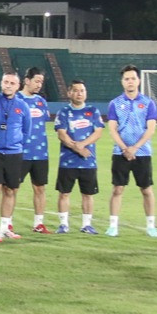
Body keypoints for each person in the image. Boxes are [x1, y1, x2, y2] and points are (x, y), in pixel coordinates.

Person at [106, 65, 157, 238]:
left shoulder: (148, 103)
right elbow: (113, 129)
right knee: (118, 189)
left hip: (142, 153)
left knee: (146, 189)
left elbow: (151, 129)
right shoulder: (115, 103)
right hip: (120, 152)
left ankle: (151, 226)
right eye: (127, 79)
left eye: (133, 78)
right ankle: (113, 226)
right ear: (122, 82)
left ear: (139, 80)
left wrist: (135, 148)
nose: (130, 81)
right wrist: (124, 148)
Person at [0, 72, 29, 242]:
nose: (8, 85)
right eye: (6, 82)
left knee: (10, 190)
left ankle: (5, 227)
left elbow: (26, 130)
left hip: (14, 153)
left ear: (18, 86)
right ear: (1, 83)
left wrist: (16, 144)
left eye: (12, 83)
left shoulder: (22, 106)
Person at [53, 80, 104, 235]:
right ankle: (63, 224)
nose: (79, 93)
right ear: (69, 93)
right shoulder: (63, 112)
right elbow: (62, 134)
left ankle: (87, 225)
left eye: (82, 90)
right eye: (76, 90)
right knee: (64, 193)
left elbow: (98, 132)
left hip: (88, 161)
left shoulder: (93, 111)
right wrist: (77, 148)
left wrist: (82, 145)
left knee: (88, 194)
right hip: (67, 161)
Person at [18, 68, 53, 233]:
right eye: (36, 81)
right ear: (27, 80)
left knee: (40, 188)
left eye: (41, 82)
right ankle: (7, 224)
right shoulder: (16, 99)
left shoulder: (41, 102)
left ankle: (38, 223)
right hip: (19, 152)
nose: (39, 85)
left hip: (40, 153)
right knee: (11, 188)